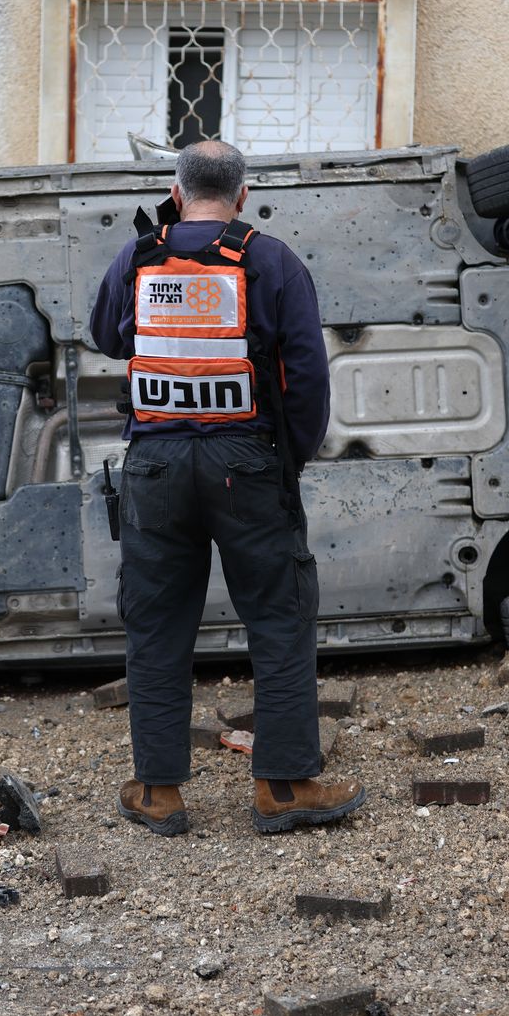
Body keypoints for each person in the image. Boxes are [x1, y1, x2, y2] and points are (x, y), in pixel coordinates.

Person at [87, 138, 365, 836]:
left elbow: (104, 334)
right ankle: (285, 786)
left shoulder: (139, 257)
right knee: (277, 615)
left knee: (156, 624)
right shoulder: (271, 260)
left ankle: (158, 793)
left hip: (153, 466)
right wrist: (286, 461)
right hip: (247, 462)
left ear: (177, 193)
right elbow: (306, 377)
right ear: (243, 196)